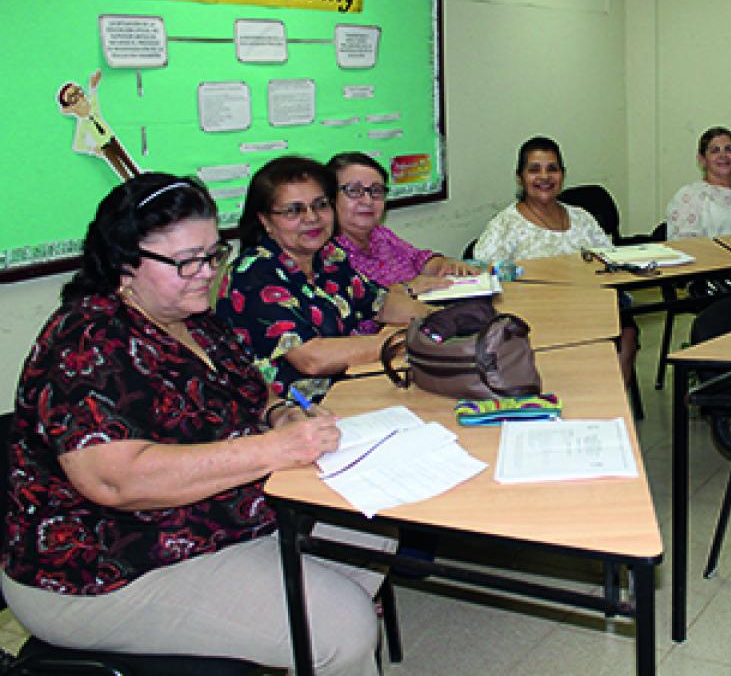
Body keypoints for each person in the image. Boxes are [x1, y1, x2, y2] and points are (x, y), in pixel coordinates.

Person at [1, 174, 394, 674]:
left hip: (211, 518)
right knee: (343, 626)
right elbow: (114, 479)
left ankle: (304, 645)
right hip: (106, 567)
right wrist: (276, 450)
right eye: (187, 261)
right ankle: (323, 638)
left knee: (371, 522)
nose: (207, 272)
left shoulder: (194, 318)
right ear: (124, 261)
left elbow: (258, 394)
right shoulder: (88, 339)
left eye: (213, 254)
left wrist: (281, 414)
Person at [216, 156, 430, 400]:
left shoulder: (328, 257)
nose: (312, 218)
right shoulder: (253, 275)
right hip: (293, 414)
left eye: (320, 205)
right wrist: (409, 341)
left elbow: (382, 303)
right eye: (294, 210)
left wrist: (438, 320)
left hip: (346, 389)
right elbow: (311, 359)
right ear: (265, 221)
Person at [475, 136, 638, 382]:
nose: (544, 177)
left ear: (563, 174)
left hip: (589, 305)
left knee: (626, 330)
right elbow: (483, 274)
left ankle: (610, 408)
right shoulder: (505, 225)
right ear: (520, 177)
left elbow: (610, 260)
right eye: (534, 170)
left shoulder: (581, 217)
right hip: (538, 314)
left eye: (552, 169)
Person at [329, 151, 478, 295]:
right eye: (354, 190)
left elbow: (418, 259)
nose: (368, 201)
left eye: (376, 190)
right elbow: (355, 304)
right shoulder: (326, 254)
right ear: (329, 198)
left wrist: (444, 265)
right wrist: (406, 289)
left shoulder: (380, 235)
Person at [666, 126, 731, 238]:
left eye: (729, 149)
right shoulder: (689, 196)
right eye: (715, 151)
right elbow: (685, 246)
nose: (723, 156)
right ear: (702, 159)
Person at [58, 69, 139, 181]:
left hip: (111, 139)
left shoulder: (94, 110)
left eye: (80, 92)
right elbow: (77, 146)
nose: (81, 99)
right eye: (73, 98)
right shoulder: (82, 126)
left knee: (126, 159)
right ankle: (130, 183)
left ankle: (138, 175)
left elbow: (93, 97)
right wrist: (94, 149)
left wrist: (93, 85)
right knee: (119, 167)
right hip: (104, 148)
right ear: (69, 108)